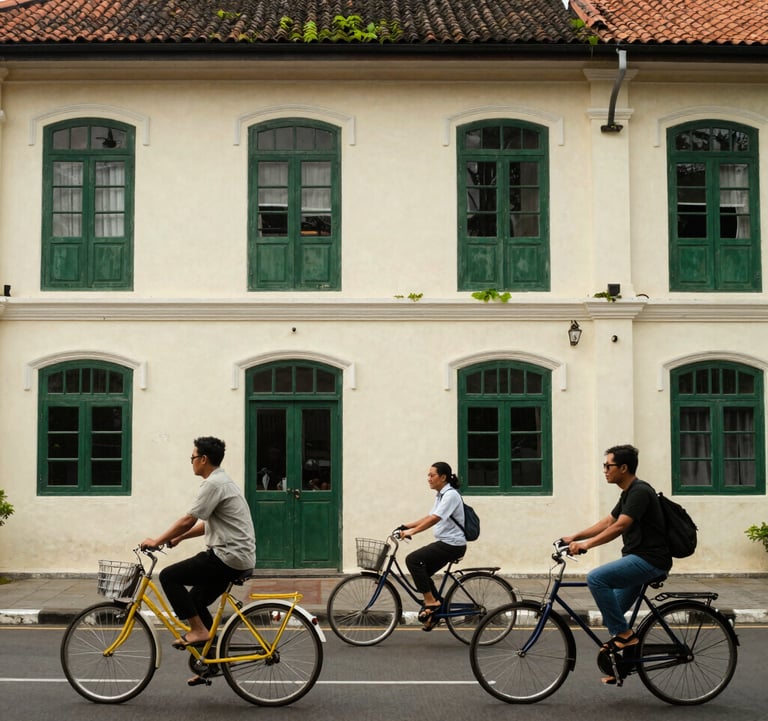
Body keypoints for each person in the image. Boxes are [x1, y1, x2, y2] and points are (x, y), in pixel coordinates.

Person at [141, 436, 256, 680]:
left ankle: (198, 631)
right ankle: (210, 660)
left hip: (228, 556)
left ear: (204, 459)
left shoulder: (213, 484)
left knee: (170, 576)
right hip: (236, 556)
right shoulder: (221, 482)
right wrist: (181, 538)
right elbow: (206, 524)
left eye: (192, 457)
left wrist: (157, 540)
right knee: (196, 599)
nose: (191, 462)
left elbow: (188, 519)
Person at [561, 444, 672, 683]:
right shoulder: (628, 492)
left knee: (597, 578)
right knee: (615, 615)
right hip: (638, 559)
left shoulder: (640, 491)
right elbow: (609, 520)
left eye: (607, 465)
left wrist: (587, 546)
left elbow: (621, 525)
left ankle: (625, 637)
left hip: (649, 561)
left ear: (623, 467)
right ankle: (622, 662)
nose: (604, 470)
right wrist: (575, 537)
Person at [398, 462, 467, 631]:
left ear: (443, 477)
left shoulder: (450, 495)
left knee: (413, 560)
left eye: (432, 475)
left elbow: (435, 519)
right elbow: (429, 516)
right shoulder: (441, 495)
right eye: (428, 475)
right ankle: (435, 611)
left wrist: (412, 532)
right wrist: (406, 526)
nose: (428, 479)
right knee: (423, 573)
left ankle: (430, 602)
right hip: (446, 543)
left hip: (452, 544)